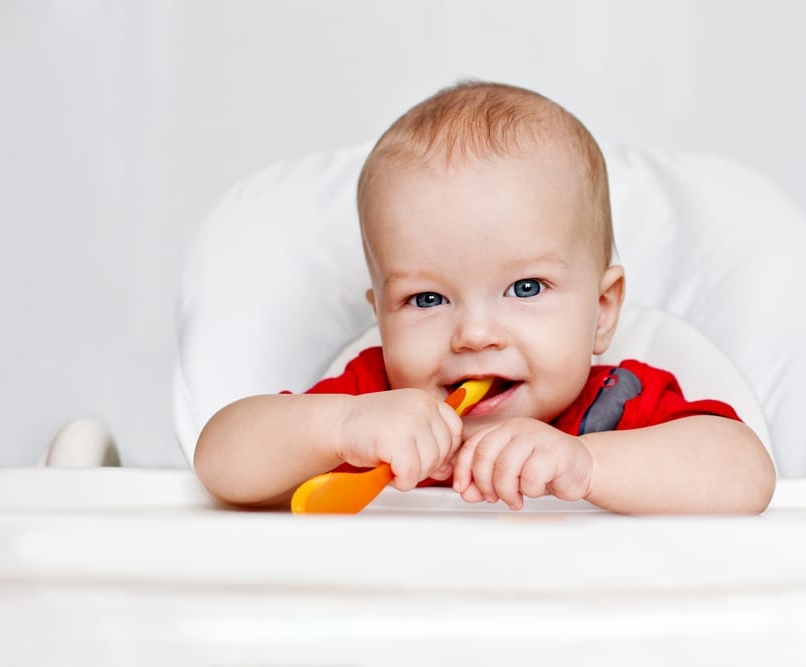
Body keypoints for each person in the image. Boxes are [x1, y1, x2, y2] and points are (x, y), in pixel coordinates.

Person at [194, 81, 776, 514]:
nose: (474, 335)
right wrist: (342, 424)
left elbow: (746, 476)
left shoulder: (618, 408)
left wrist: (589, 466)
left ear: (601, 312)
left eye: (525, 288)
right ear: (381, 317)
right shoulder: (375, 401)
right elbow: (219, 462)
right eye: (425, 299)